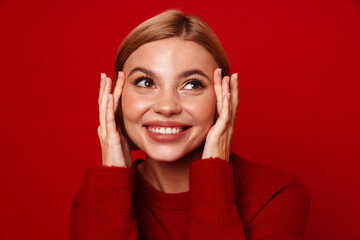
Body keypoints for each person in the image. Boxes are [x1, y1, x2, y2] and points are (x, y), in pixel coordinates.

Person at [70, 10, 310, 240]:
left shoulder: (275, 195)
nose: (167, 106)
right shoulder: (94, 203)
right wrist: (112, 182)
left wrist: (213, 174)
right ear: (118, 97)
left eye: (192, 85)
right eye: (145, 82)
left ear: (222, 97)